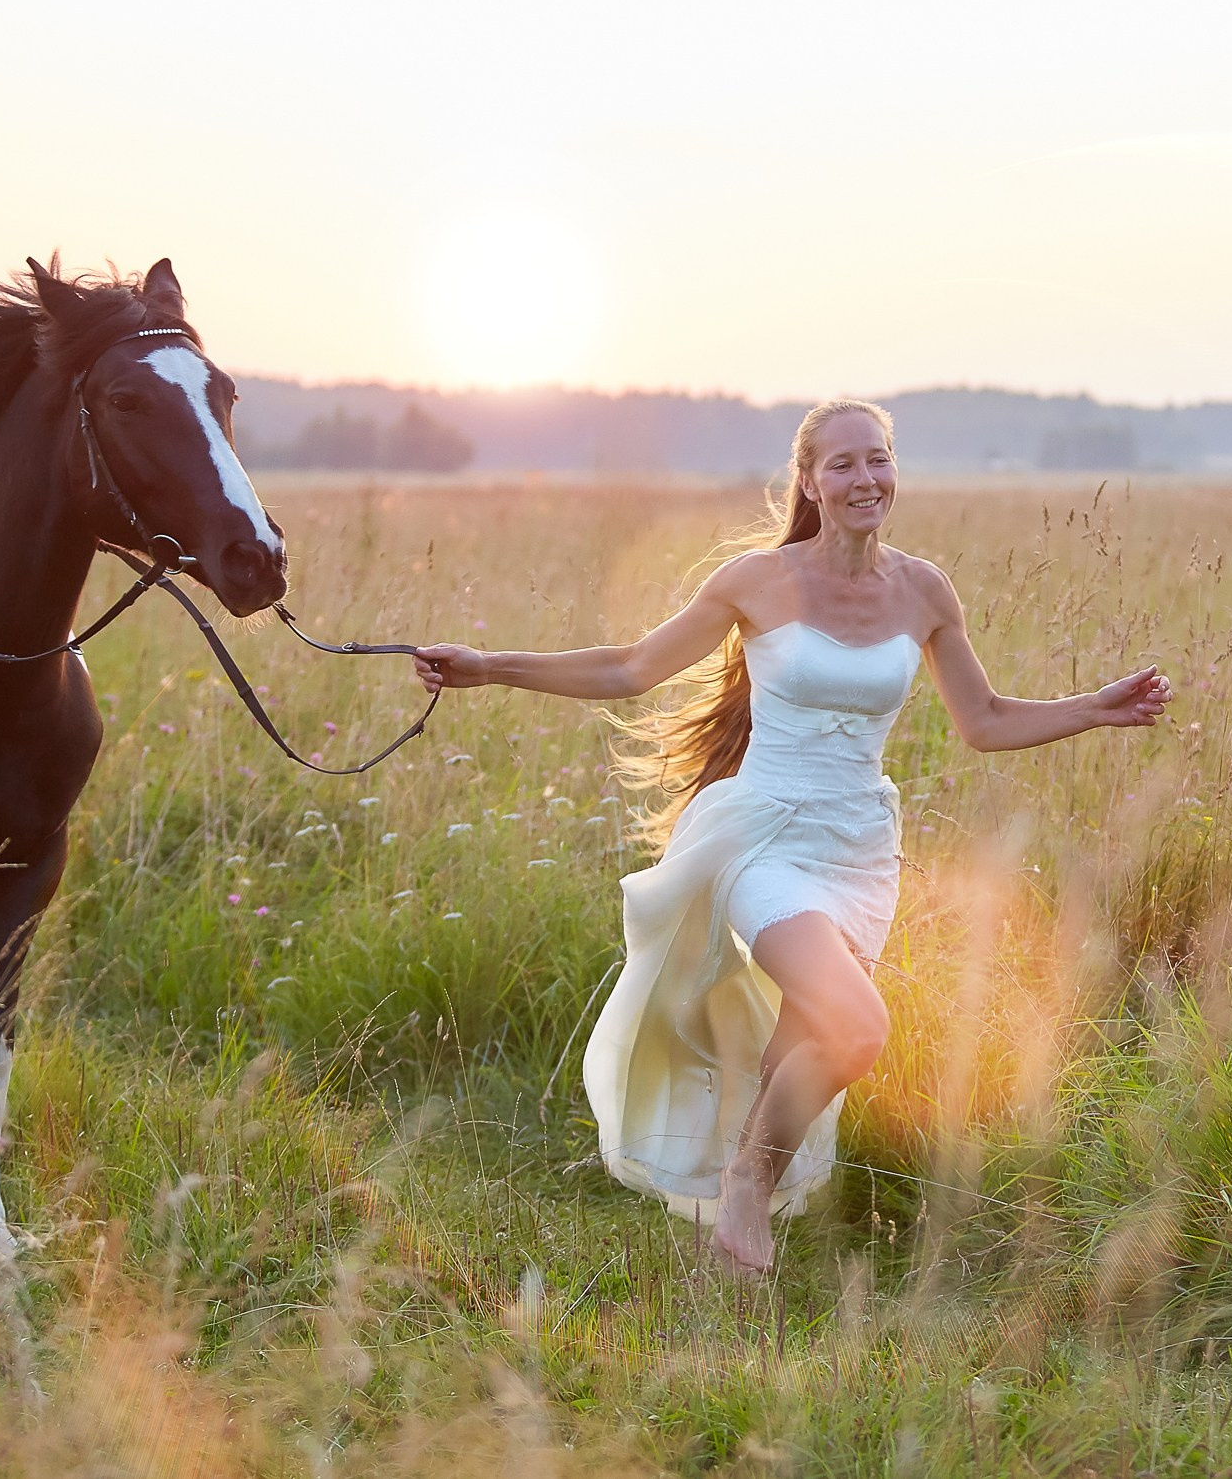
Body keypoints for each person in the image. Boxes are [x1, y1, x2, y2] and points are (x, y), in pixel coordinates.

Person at [414, 400, 1172, 1273]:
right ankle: (744, 1183)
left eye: (878, 459)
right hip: (763, 840)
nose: (865, 479)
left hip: (860, 851)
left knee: (807, 1033)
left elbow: (986, 720)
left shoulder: (924, 590)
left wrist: (1095, 709)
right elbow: (631, 667)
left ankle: (738, 1239)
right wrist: (488, 667)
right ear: (808, 481)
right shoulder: (757, 580)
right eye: (842, 464)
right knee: (856, 1029)